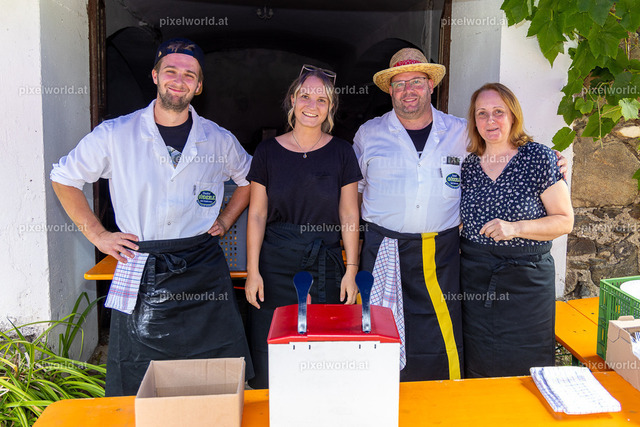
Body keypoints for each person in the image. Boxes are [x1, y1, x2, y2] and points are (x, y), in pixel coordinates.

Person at [50, 38, 254, 396]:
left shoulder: (218, 139)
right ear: (156, 76)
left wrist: (225, 219)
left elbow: (250, 179)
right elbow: (64, 178)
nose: (179, 80)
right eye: (171, 71)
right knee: (138, 374)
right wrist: (98, 235)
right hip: (140, 260)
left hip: (203, 262)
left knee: (215, 368)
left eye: (189, 75)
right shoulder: (116, 134)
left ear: (199, 85)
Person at [245, 64, 361, 389]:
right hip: (275, 262)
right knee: (273, 343)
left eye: (322, 100)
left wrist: (351, 270)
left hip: (325, 261)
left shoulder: (342, 152)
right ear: (292, 100)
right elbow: (257, 215)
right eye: (305, 96)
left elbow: (349, 215)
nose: (312, 105)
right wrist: (252, 271)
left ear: (330, 108)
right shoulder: (267, 152)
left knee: (324, 345)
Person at [354, 48, 467, 381]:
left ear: (431, 84)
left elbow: (502, 153)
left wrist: (548, 159)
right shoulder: (368, 134)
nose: (408, 91)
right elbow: (353, 191)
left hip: (440, 254)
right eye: (400, 84)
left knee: (440, 333)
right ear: (390, 90)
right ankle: (380, 397)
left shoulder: (461, 132)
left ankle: (441, 397)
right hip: (382, 249)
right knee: (378, 328)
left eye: (416, 81)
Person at [459, 83, 574, 378]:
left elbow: (564, 220)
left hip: (527, 283)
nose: (490, 120)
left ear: (513, 116)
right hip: (476, 281)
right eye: (481, 113)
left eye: (498, 112)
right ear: (474, 120)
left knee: (527, 365)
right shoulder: (469, 166)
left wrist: (515, 228)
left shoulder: (539, 158)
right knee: (479, 361)